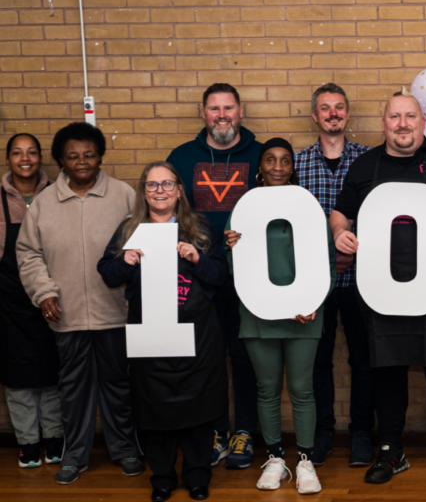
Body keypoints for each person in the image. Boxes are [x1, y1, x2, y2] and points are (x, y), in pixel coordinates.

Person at [330, 91, 426, 486]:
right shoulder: (365, 166)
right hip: (380, 292)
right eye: (395, 117)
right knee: (387, 374)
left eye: (410, 116)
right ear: (384, 123)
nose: (403, 124)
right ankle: (390, 451)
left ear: (422, 121)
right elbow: (340, 214)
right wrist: (340, 233)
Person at [17, 122, 144, 485]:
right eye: (73, 156)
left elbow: (143, 244)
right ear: (61, 160)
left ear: (100, 156)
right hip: (66, 315)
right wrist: (44, 292)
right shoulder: (43, 204)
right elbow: (28, 254)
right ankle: (75, 456)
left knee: (119, 386)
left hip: (115, 314)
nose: (82, 161)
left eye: (89, 154)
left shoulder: (123, 196)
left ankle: (126, 449)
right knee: (73, 391)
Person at [97, 162, 228, 502]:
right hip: (151, 336)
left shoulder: (199, 227)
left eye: (167, 184)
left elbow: (220, 276)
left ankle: (198, 477)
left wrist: (198, 259)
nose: (160, 191)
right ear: (143, 192)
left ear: (179, 190)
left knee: (198, 409)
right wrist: (124, 261)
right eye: (152, 185)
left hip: (196, 335)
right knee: (154, 409)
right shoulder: (130, 229)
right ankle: (163, 478)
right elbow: (107, 273)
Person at [224, 138, 330, 494]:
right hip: (259, 314)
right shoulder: (243, 211)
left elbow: (327, 260)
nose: (278, 167)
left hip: (303, 314)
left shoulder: (308, 209)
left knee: (302, 389)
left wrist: (314, 300)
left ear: (292, 167)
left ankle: (305, 462)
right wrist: (230, 246)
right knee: (267, 390)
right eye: (270, 160)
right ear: (260, 167)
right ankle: (274, 459)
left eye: (285, 160)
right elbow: (233, 266)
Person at [166, 82, 261, 469]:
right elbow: (167, 212)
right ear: (203, 113)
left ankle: (245, 431)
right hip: (199, 276)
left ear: (241, 111)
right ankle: (217, 431)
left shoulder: (260, 155)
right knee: (207, 358)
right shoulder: (181, 158)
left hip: (249, 277)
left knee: (245, 356)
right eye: (214, 108)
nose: (222, 115)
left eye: (229, 108)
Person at [296, 83, 375, 467]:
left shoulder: (370, 160)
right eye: (325, 108)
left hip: (363, 281)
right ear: (315, 116)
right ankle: (323, 434)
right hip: (316, 283)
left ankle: (361, 434)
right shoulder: (296, 165)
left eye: (339, 107)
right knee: (318, 362)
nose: (333, 113)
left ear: (347, 113)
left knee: (364, 360)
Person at [1, 133, 63, 469]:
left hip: (51, 295)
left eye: (31, 152)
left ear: (41, 157)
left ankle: (54, 439)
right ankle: (27, 442)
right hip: (9, 301)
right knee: (17, 375)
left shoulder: (56, 193)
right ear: (8, 159)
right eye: (17, 152)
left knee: (53, 372)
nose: (25, 158)